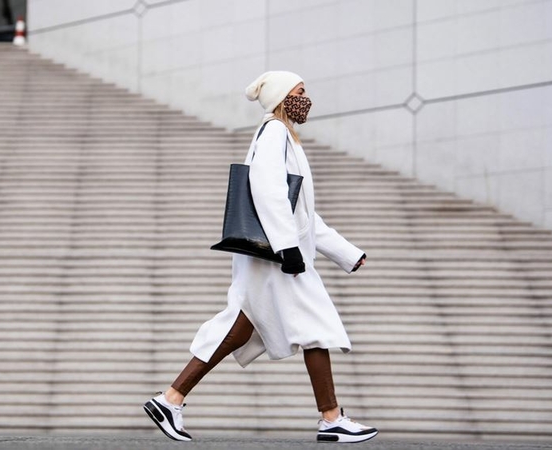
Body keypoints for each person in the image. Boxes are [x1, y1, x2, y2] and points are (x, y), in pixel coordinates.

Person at [143, 71, 377, 443]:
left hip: (276, 254)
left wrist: (346, 253)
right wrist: (287, 248)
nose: (306, 98)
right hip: (277, 257)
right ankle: (331, 417)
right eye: (300, 92)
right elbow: (268, 193)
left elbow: (303, 214)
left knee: (242, 325)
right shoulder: (274, 134)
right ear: (283, 97)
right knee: (314, 327)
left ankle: (171, 398)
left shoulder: (283, 137)